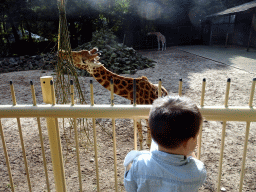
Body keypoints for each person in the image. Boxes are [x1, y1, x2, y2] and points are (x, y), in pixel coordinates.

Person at [123, 96, 207, 192]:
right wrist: (189, 153)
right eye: (196, 137)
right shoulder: (197, 172)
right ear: (188, 142)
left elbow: (130, 187)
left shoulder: (138, 165)